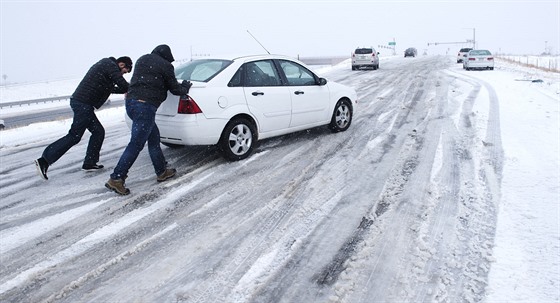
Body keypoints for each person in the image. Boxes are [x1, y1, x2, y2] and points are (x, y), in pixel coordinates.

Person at [105, 45, 191, 195]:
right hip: (145, 107)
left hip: (131, 103)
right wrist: (184, 87)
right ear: (166, 56)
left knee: (154, 138)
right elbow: (174, 89)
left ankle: (162, 171)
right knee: (136, 144)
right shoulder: (166, 65)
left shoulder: (143, 59)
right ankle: (116, 178)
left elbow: (148, 80)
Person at [34, 56, 133, 180]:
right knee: (74, 136)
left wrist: (126, 90)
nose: (122, 75)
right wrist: (134, 88)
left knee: (98, 132)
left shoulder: (106, 67)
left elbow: (110, 88)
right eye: (124, 72)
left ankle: (89, 163)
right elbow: (123, 85)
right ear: (122, 65)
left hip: (84, 104)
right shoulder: (109, 65)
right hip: (82, 104)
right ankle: (44, 160)